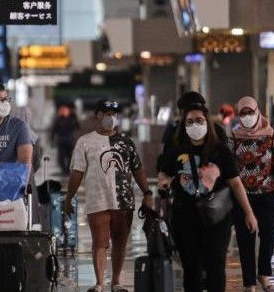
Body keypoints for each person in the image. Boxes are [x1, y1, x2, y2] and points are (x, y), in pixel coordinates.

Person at [159, 103, 258, 292]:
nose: (195, 125)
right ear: (184, 126)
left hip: (216, 219)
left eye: (199, 120)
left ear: (207, 123)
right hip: (184, 218)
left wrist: (248, 213)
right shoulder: (176, 151)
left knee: (215, 268)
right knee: (191, 269)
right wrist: (164, 181)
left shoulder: (220, 151)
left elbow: (236, 183)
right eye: (190, 122)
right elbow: (164, 173)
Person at [63, 99, 153, 292]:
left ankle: (116, 282)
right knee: (100, 242)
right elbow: (77, 172)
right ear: (97, 115)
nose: (110, 117)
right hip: (97, 200)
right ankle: (99, 283)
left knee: (120, 242)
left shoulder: (126, 142)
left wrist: (147, 193)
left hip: (124, 200)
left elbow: (137, 170)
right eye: (105, 113)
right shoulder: (85, 142)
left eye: (113, 113)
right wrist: (69, 198)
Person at [231, 97, 274, 292]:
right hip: (242, 196)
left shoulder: (271, 134)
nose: (247, 116)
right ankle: (249, 283)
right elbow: (228, 168)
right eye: (243, 113)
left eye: (250, 112)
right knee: (245, 239)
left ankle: (263, 275)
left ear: (258, 111)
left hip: (267, 193)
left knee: (269, 235)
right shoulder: (233, 137)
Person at [52, 104, 80, 174]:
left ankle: (66, 170)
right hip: (64, 140)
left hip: (68, 140)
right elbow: (54, 130)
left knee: (68, 156)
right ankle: (65, 170)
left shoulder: (71, 118)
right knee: (63, 157)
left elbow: (77, 126)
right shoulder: (59, 119)